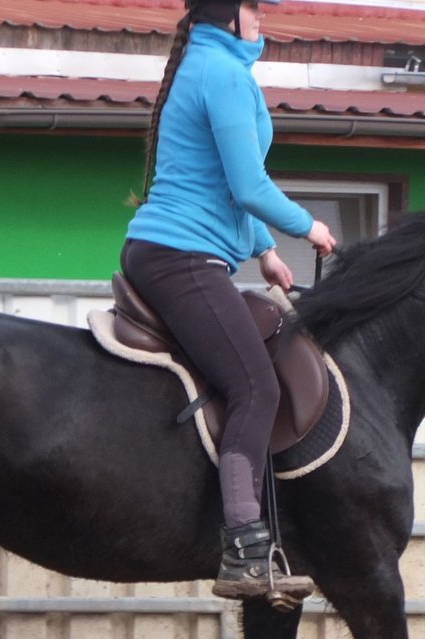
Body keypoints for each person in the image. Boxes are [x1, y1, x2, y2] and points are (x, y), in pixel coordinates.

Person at [120, 0, 336, 601]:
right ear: (227, 13)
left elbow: (217, 182)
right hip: (179, 256)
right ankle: (243, 547)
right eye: (254, 7)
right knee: (256, 387)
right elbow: (248, 185)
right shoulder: (223, 73)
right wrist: (305, 229)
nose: (262, 17)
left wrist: (265, 249)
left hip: (180, 250)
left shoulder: (210, 64)